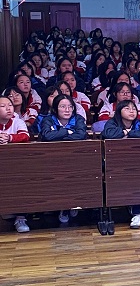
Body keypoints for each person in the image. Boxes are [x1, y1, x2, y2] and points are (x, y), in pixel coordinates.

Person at [102, 100, 140, 229]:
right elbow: (108, 134)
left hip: (137, 162)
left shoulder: (139, 123)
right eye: (127, 108)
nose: (131, 111)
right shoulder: (112, 123)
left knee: (139, 177)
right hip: (115, 163)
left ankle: (137, 213)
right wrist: (124, 132)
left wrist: (129, 133)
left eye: (134, 109)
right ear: (119, 111)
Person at [39, 94, 87, 224]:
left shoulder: (78, 119)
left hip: (76, 158)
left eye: (70, 107)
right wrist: (67, 132)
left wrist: (58, 135)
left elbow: (81, 135)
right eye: (63, 106)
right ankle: (64, 207)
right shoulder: (48, 120)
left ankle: (72, 203)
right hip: (52, 159)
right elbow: (47, 136)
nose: (67, 110)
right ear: (55, 108)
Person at [0, 96, 32, 232]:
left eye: (10, 105)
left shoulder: (17, 121)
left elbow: (25, 136)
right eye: (3, 106)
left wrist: (9, 138)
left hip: (15, 164)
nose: (8, 108)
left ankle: (20, 217)